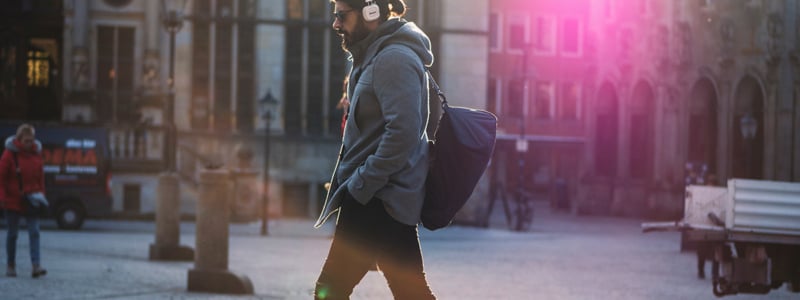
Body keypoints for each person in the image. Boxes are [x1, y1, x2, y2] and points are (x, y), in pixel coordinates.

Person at [313, 0, 436, 298]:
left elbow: (403, 133)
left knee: (329, 292)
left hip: (377, 198)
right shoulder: (375, 56)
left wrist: (362, 184)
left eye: (342, 16)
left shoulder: (393, 59)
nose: (336, 24)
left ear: (370, 13)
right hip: (382, 197)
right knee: (412, 293)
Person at [0, 124, 48, 278]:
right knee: (13, 234)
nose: (30, 144)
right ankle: (11, 265)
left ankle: (36, 266)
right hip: (13, 200)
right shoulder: (9, 154)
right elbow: (1, 178)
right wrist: (2, 197)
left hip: (32, 199)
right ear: (19, 140)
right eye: (27, 141)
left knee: (34, 232)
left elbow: (41, 177)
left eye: (31, 140)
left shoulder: (36, 154)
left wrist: (41, 195)